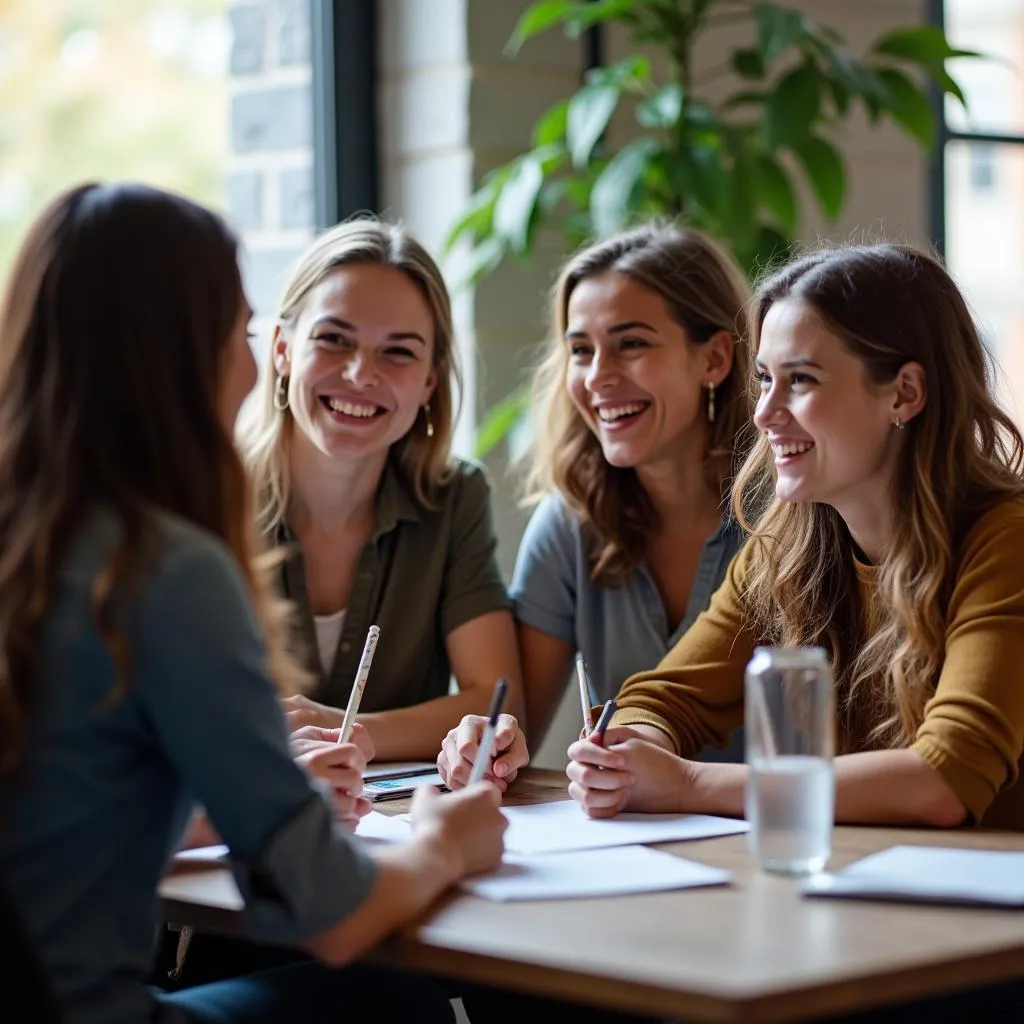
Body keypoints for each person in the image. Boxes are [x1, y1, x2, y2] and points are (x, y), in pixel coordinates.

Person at [0, 182, 506, 1024]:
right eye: (240, 330)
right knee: (390, 1003)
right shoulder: (162, 567)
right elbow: (334, 918)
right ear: (178, 351)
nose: (247, 355)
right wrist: (444, 843)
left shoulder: (38, 536)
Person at [564, 243, 1024, 832]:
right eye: (764, 380)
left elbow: (944, 778)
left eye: (801, 380)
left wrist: (684, 782)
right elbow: (663, 698)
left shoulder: (1003, 541)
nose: (764, 413)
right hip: (863, 892)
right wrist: (626, 754)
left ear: (904, 394)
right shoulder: (792, 545)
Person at [438, 223, 753, 791]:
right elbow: (517, 725)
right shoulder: (569, 524)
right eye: (580, 350)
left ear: (714, 359)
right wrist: (485, 744)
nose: (598, 377)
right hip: (637, 848)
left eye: (631, 344)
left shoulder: (795, 514)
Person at [236, 218, 522, 762]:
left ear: (429, 383)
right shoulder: (207, 495)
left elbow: (499, 704)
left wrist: (342, 729)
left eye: (398, 352)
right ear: (281, 349)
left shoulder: (454, 498)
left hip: (399, 820)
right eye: (334, 339)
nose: (361, 374)